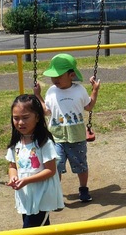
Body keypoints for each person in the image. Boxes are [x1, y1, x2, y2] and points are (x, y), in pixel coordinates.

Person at [6, 94, 67, 235]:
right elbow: (11, 165)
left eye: (26, 117)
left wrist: (27, 180)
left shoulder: (44, 143)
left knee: (30, 230)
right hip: (26, 195)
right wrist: (13, 177)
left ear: (38, 118)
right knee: (42, 226)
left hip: (42, 195)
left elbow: (50, 170)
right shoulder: (16, 143)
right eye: (16, 118)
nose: (20, 122)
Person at [34, 53, 100, 203]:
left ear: (71, 75)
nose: (55, 80)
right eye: (53, 77)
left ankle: (83, 188)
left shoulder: (79, 90)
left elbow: (88, 107)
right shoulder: (51, 91)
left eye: (58, 76)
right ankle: (56, 192)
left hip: (76, 136)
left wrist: (95, 90)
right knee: (56, 165)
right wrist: (38, 96)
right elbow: (46, 111)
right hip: (56, 136)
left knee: (81, 164)